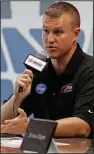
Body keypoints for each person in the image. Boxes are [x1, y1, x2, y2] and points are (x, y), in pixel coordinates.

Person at [1, 1, 93, 138]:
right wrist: (17, 98)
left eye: (58, 32)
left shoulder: (89, 70)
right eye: (46, 31)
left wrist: (31, 127)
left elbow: (83, 126)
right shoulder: (38, 71)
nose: (49, 39)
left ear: (76, 34)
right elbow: (3, 123)